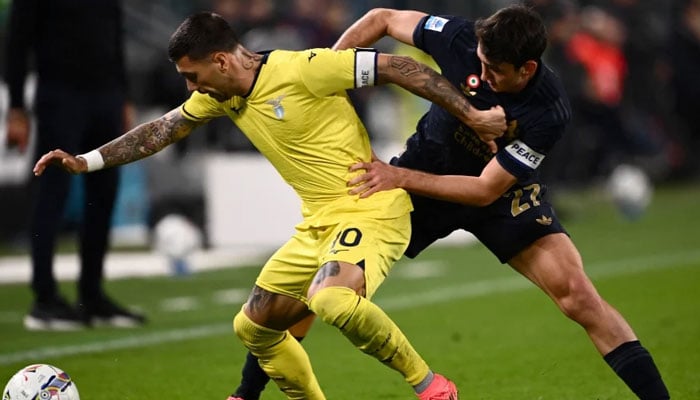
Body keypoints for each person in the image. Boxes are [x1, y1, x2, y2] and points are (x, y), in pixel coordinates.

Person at [32, 12, 506, 399]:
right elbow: (162, 130)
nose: (191, 89)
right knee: (252, 327)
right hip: (316, 225)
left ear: (220, 61)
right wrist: (86, 161)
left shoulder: (304, 69)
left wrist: (472, 115)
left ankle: (433, 388)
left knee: (333, 301)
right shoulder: (222, 96)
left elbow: (401, 68)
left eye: (192, 77)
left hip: (371, 208)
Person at [230, 5, 671, 400]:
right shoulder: (461, 37)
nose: (483, 74)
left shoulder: (548, 111)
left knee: (579, 297)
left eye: (495, 70)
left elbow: (483, 190)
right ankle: (246, 394)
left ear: (527, 68)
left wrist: (399, 175)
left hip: (496, 193)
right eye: (481, 63)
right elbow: (381, 18)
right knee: (319, 286)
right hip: (422, 176)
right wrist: (331, 76)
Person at [4, 0, 146, 330]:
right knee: (51, 192)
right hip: (60, 93)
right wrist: (15, 107)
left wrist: (123, 95)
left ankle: (92, 295)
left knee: (104, 195)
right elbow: (16, 41)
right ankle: (44, 297)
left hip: (106, 94)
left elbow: (114, 37)